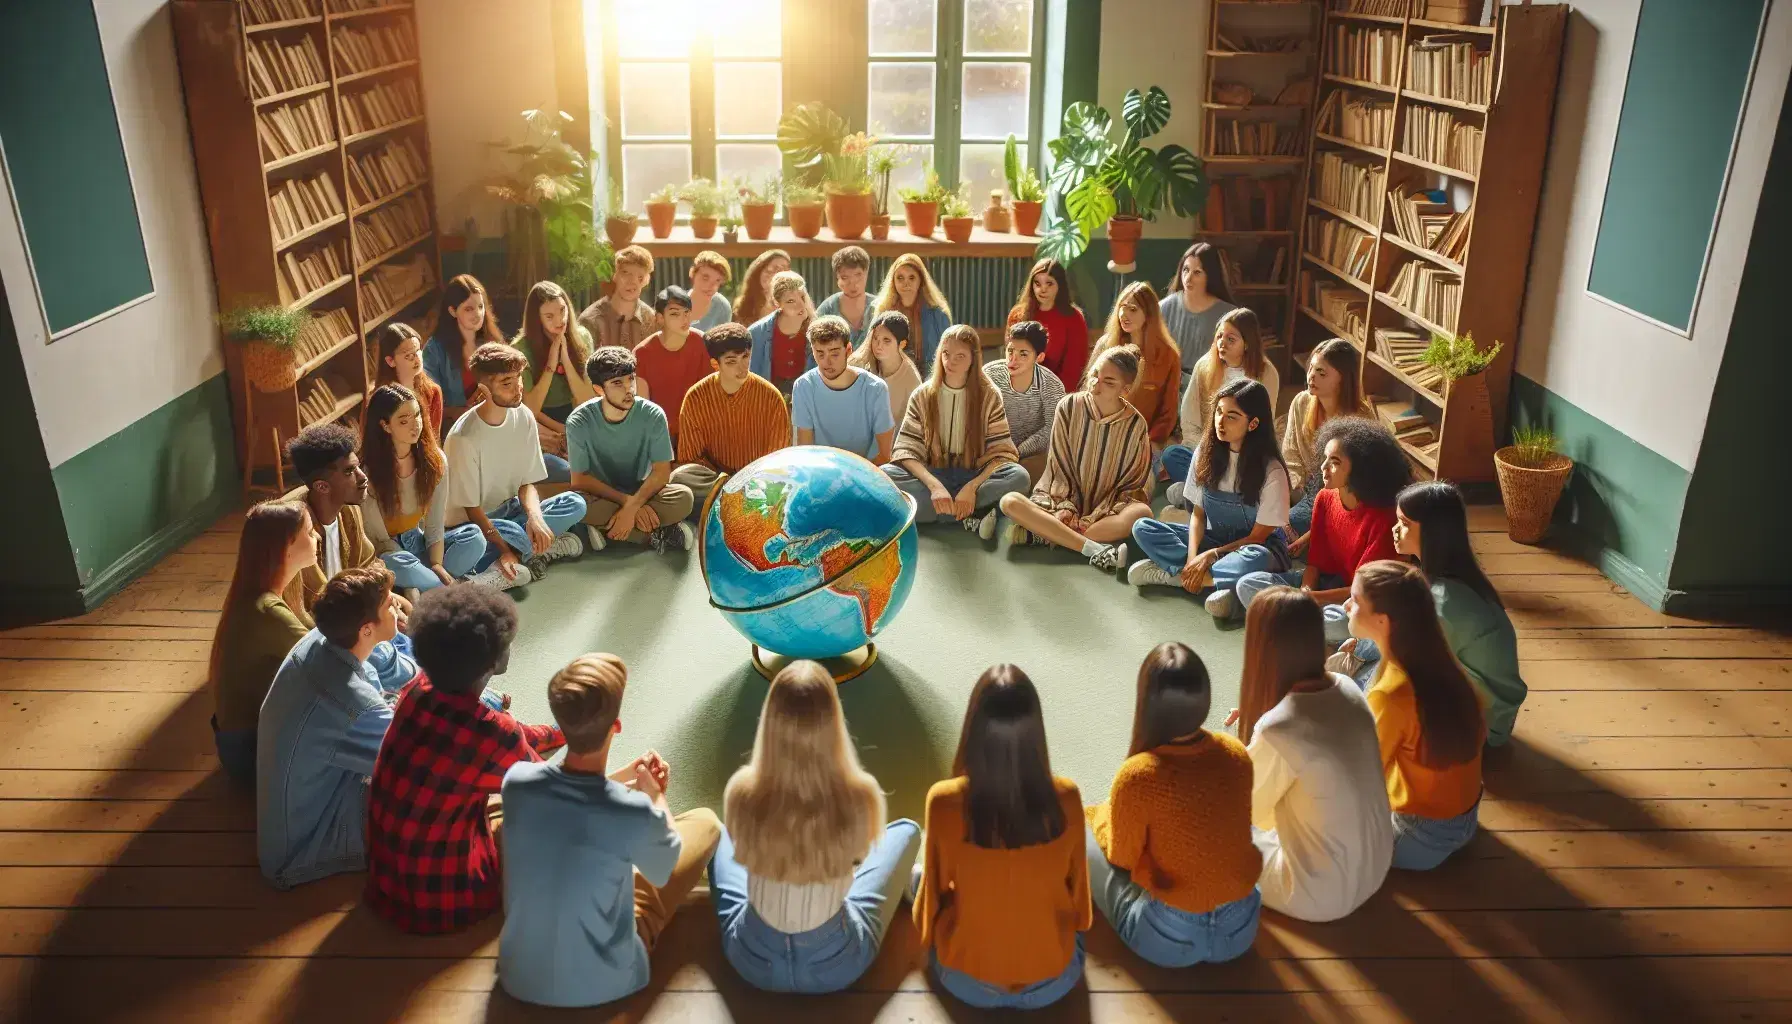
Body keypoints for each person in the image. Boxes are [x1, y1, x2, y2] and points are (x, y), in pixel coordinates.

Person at [497, 654, 721, 1008]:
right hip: (610, 981)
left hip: (518, 977)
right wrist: (654, 795)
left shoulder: (517, 782)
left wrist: (626, 777)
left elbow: (573, 795)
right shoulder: (629, 810)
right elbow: (663, 867)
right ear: (615, 727)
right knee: (707, 823)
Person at [364, 585, 566, 933]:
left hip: (385, 881)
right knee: (541, 822)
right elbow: (553, 792)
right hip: (447, 900)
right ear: (492, 662)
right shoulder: (492, 734)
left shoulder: (418, 690)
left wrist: (554, 733)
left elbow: (508, 732)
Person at [710, 660, 921, 994]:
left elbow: (738, 846)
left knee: (713, 831)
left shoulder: (741, 792)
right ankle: (906, 884)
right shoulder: (860, 795)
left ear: (769, 721)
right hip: (835, 966)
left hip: (752, 960)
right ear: (834, 722)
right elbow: (859, 853)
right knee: (907, 831)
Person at [915, 664, 1088, 1010]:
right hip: (1054, 980)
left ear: (973, 729)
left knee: (919, 876)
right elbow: (1081, 909)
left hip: (966, 981)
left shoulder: (944, 801)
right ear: (1035, 732)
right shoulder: (1066, 799)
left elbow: (929, 907)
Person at [1086, 643, 1261, 966]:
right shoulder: (1236, 753)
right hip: (1241, 928)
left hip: (1167, 938)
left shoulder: (1138, 774)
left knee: (1085, 828)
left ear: (1147, 703)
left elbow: (1122, 858)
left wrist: (1103, 816)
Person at [1233, 587, 1392, 922]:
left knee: (1200, 822)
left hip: (1321, 893)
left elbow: (1240, 813)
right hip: (1376, 864)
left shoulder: (1280, 728)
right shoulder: (1347, 687)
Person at [1339, 481, 1527, 746]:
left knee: (1357, 692)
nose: (1394, 530)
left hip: (1479, 726)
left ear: (1432, 532)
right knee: (1361, 668)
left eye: (1404, 524)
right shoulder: (1450, 579)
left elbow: (1404, 668)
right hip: (1479, 708)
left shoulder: (1443, 602)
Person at [256, 566, 403, 889]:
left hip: (300, 803)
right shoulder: (354, 704)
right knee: (430, 787)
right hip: (304, 846)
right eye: (388, 605)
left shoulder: (324, 639)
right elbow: (418, 761)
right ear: (366, 630)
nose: (396, 605)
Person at [1346, 560, 1486, 871]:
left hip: (1421, 835)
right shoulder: (1436, 656)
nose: (1346, 606)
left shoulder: (1391, 693)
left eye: (1355, 601)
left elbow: (1362, 775)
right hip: (1464, 815)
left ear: (1383, 621)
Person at [1235, 417, 1409, 645]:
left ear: (1361, 469)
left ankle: (1279, 620)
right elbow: (1314, 562)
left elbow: (1363, 590)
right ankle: (1298, 626)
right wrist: (1307, 590)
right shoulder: (1324, 498)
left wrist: (1310, 599)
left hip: (1356, 600)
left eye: (1334, 461)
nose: (1323, 467)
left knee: (1339, 624)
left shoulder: (1383, 519)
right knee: (1248, 584)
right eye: (1325, 457)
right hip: (1324, 587)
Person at [1129, 379, 1292, 622]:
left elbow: (1258, 537)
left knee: (1253, 558)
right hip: (1214, 541)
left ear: (1254, 423)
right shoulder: (1205, 450)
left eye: (1232, 416)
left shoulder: (1272, 471)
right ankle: (1211, 582)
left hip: (1257, 549)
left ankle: (1174, 578)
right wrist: (1193, 556)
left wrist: (1212, 555)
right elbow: (1197, 514)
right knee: (1142, 527)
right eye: (1219, 412)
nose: (1220, 422)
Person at [279, 424, 416, 689]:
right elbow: (307, 613)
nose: (363, 477)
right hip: (331, 637)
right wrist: (373, 617)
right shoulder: (297, 533)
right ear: (322, 486)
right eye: (350, 471)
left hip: (358, 622)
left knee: (413, 633)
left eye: (358, 466)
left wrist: (390, 602)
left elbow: (368, 565)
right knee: (396, 659)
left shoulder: (348, 513)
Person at [997, 345, 1152, 574]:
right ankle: (1092, 549)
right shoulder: (1068, 406)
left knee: (1142, 514)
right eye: (1094, 375)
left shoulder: (1137, 426)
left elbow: (1130, 486)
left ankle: (1047, 535)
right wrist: (1066, 509)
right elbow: (1059, 468)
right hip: (1060, 501)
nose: (1095, 385)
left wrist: (1092, 518)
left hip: (1104, 513)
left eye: (1108, 382)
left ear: (1125, 390)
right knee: (1009, 502)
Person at [444, 343, 590, 585]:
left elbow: (527, 483)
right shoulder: (464, 437)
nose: (518, 388)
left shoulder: (523, 416)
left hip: (513, 511)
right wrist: (504, 549)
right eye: (506, 383)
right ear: (484, 389)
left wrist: (535, 517)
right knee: (495, 539)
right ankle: (523, 553)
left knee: (575, 503)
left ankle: (508, 563)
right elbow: (472, 510)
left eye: (518, 378)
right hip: (475, 525)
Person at [884, 324, 1030, 537]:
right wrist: (934, 486)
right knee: (886, 476)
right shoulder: (922, 395)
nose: (949, 361)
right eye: (945, 353)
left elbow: (1002, 453)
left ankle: (938, 513)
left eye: (959, 356)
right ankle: (970, 516)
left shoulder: (989, 395)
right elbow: (906, 451)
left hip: (974, 474)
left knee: (1019, 477)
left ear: (974, 358)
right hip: (932, 476)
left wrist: (972, 487)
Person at [209, 500, 315, 784]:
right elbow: (330, 657)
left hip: (242, 742)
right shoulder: (266, 609)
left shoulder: (269, 593)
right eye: (309, 531)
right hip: (248, 753)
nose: (316, 537)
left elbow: (314, 632)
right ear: (286, 546)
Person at [360, 385, 504, 592]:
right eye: (403, 421)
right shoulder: (368, 473)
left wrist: (436, 564)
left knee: (474, 538)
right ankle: (455, 589)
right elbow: (380, 542)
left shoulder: (434, 461)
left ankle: (430, 588)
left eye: (417, 415)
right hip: (391, 552)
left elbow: (435, 526)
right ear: (385, 425)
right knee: (398, 563)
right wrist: (421, 566)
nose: (415, 425)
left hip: (421, 543)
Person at [565, 346, 695, 553]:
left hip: (641, 489)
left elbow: (662, 472)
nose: (629, 389)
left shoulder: (652, 414)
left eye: (631, 379)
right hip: (602, 494)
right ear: (599, 389)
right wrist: (628, 504)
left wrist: (632, 506)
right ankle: (656, 533)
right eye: (617, 383)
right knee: (574, 504)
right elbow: (580, 480)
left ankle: (609, 531)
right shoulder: (579, 421)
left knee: (684, 497)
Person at [670, 322, 791, 509]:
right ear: (715, 364)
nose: (742, 367)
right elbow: (691, 458)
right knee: (682, 475)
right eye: (731, 361)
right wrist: (726, 484)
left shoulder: (771, 397)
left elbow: (778, 457)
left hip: (759, 483)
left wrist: (751, 483)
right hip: (715, 484)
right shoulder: (696, 397)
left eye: (745, 357)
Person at [1172, 307, 1281, 485]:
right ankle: (1210, 488)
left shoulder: (1267, 373)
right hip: (1206, 449)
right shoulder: (1204, 367)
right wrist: (1204, 451)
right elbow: (1190, 418)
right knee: (1173, 456)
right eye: (1220, 336)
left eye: (1231, 339)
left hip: (1245, 453)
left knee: (1263, 470)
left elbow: (1264, 425)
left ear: (1247, 344)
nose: (1222, 343)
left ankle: (1196, 490)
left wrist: (1237, 454)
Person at [1282, 337, 1373, 544]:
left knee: (1287, 533)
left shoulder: (1360, 419)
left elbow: (1359, 484)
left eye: (1321, 373)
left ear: (1342, 380)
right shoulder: (1302, 402)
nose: (1311, 376)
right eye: (1311, 368)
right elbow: (1291, 455)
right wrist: (1283, 495)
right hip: (1304, 485)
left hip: (1341, 496)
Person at [514, 280, 596, 480]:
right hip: (542, 423)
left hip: (578, 417)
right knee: (567, 471)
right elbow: (530, 409)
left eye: (562, 310)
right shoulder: (520, 349)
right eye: (549, 316)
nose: (559, 320)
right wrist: (551, 362)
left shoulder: (582, 337)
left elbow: (587, 399)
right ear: (537, 319)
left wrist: (566, 359)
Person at [1088, 281, 1181, 448]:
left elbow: (1168, 413)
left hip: (1146, 441)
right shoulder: (1105, 345)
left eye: (1133, 309)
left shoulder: (1168, 355)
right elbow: (1088, 392)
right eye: (1122, 307)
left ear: (1149, 314)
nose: (1124, 314)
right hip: (1101, 434)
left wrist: (1148, 442)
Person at [791, 315, 894, 463]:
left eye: (834, 353)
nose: (827, 362)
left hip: (866, 473)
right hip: (821, 473)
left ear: (848, 350)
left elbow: (884, 455)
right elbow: (805, 452)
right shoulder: (803, 386)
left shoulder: (875, 389)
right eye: (820, 354)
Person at [983, 320, 1066, 484]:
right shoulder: (989, 375)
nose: (1013, 359)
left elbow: (1052, 429)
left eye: (1023, 354)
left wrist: (1016, 452)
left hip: (1032, 456)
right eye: (1010, 351)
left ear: (1039, 357)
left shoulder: (1051, 385)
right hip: (989, 451)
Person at [423, 273, 506, 425]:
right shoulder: (434, 349)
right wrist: (456, 412)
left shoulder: (493, 342)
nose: (477, 314)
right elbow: (427, 401)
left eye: (480, 307)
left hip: (494, 423)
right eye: (469, 309)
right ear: (452, 311)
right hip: (455, 429)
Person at [631, 285, 710, 443]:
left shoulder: (704, 343)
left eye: (687, 313)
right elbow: (643, 408)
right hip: (659, 432)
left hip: (699, 430)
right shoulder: (642, 353)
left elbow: (711, 395)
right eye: (675, 314)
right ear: (660, 318)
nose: (684, 319)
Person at [1159, 242, 1237, 389]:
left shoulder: (1228, 315)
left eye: (1197, 272)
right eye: (1186, 270)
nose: (1188, 278)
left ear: (1210, 276)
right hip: (1169, 384)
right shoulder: (1164, 308)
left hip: (1210, 385)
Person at [1007, 257, 1090, 389]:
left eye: (1049, 283)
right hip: (1020, 389)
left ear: (1060, 286)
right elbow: (1011, 359)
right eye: (1037, 283)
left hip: (1058, 392)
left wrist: (1055, 398)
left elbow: (1074, 369)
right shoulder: (1017, 315)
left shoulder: (1074, 318)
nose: (1042, 289)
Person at [871, 252, 951, 368]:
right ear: (893, 282)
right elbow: (871, 350)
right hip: (890, 373)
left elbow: (947, 354)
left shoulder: (938, 315)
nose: (906, 283)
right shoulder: (883, 311)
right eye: (900, 278)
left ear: (921, 281)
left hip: (930, 376)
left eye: (912, 278)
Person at [848, 309, 923, 428]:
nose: (878, 346)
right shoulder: (863, 366)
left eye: (886, 340)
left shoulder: (911, 380)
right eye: (875, 339)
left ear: (902, 344)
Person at [578, 244, 660, 350]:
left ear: (646, 281)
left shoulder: (651, 321)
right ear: (615, 275)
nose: (632, 282)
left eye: (640, 277)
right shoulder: (590, 321)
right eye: (626, 273)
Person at [747, 269, 815, 393]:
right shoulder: (756, 333)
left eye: (802, 297)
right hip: (769, 398)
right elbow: (751, 377)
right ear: (778, 304)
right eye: (790, 301)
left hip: (806, 397)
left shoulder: (817, 331)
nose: (800, 305)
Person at [374, 322, 444, 437]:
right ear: (390, 361)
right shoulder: (378, 399)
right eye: (408, 356)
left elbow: (434, 439)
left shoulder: (433, 392)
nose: (417, 359)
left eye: (418, 352)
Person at [814, 244, 876, 344]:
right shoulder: (828, 308)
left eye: (858, 275)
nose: (853, 283)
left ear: (866, 272)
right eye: (845, 277)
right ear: (837, 278)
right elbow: (813, 344)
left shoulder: (879, 306)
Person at [733, 248, 791, 326]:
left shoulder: (794, 306)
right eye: (769, 270)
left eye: (782, 270)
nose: (774, 275)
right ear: (758, 273)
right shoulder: (742, 307)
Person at [688, 249, 734, 331]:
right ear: (692, 273)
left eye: (717, 281)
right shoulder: (674, 303)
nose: (712, 286)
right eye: (705, 278)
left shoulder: (722, 307)